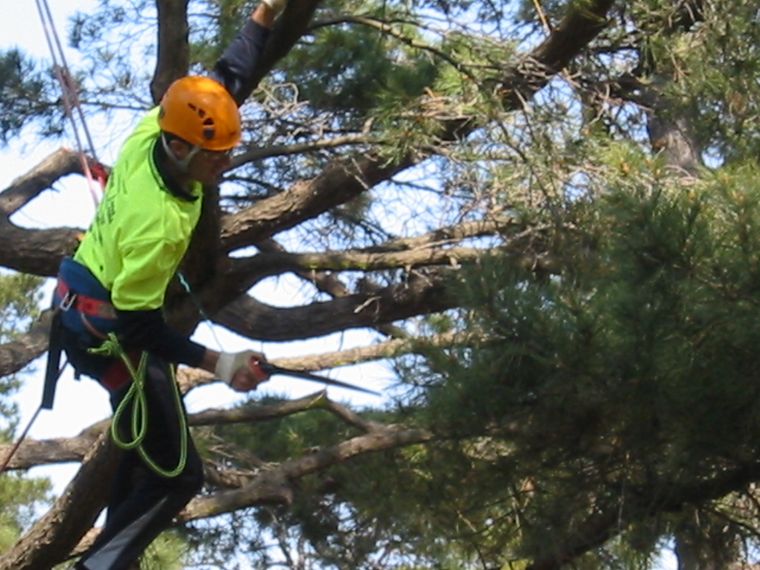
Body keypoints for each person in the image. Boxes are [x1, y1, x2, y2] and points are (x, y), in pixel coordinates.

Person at [50, 1, 287, 568]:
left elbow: (223, 84)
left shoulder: (156, 127)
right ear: (180, 147)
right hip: (100, 325)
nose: (223, 165)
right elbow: (138, 326)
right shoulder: (157, 225)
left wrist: (262, 16)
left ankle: (110, 560)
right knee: (182, 473)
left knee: (151, 448)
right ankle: (101, 565)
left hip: (83, 302)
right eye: (215, 157)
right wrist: (220, 364)